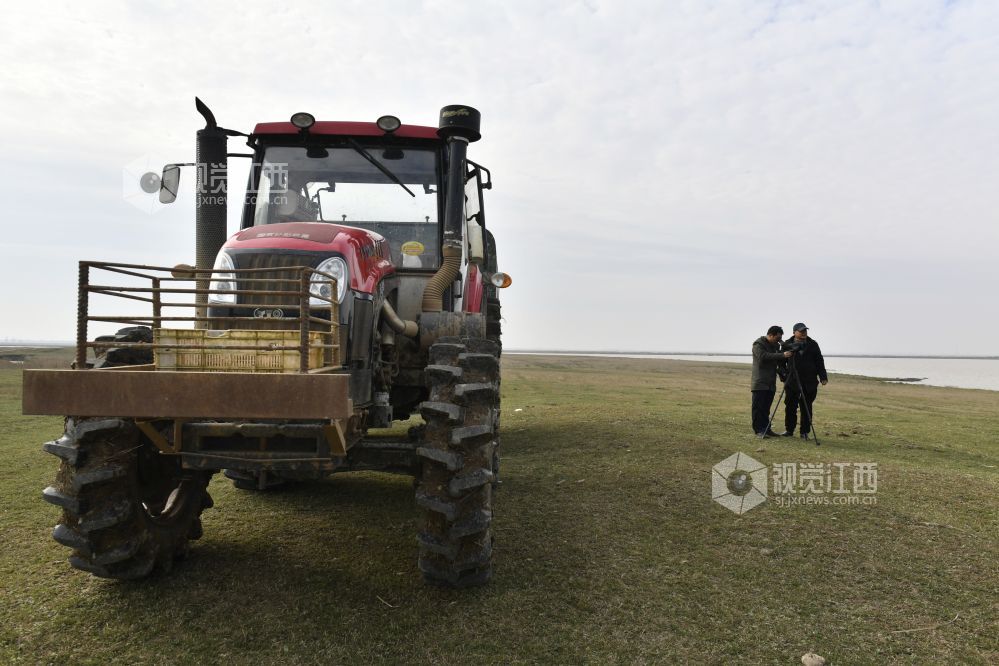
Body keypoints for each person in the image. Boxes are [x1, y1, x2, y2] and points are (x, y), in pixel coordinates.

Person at [782, 323, 828, 440]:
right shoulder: (787, 344)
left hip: (810, 381)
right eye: (801, 331)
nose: (803, 333)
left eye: (805, 331)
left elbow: (819, 361)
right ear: (794, 332)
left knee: (806, 406)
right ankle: (789, 430)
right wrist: (784, 376)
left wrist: (823, 377)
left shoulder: (813, 344)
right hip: (792, 380)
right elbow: (781, 362)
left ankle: (804, 432)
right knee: (790, 405)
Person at [751, 326, 794, 437]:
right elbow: (763, 356)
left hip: (770, 382)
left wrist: (786, 350)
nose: (778, 341)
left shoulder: (774, 345)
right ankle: (758, 431)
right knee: (758, 408)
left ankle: (766, 429)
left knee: (766, 408)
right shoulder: (758, 344)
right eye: (777, 338)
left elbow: (777, 358)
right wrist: (782, 354)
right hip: (760, 382)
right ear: (770, 335)